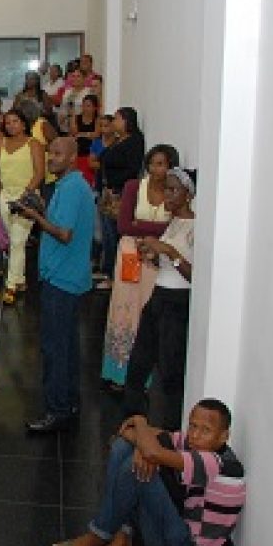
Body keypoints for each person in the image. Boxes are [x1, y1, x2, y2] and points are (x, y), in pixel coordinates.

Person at [53, 400, 245, 546]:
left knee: (133, 468)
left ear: (224, 436)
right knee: (123, 447)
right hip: (178, 527)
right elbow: (129, 434)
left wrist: (140, 420)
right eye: (193, 426)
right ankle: (120, 543)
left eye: (205, 430)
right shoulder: (195, 444)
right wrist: (143, 446)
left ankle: (99, 535)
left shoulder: (216, 463)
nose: (195, 435)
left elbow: (152, 450)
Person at [16, 138, 96, 433]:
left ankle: (56, 409)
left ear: (73, 157)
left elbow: (64, 234)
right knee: (68, 346)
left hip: (62, 277)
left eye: (58, 154)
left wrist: (35, 216)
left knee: (55, 348)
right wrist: (41, 208)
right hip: (65, 275)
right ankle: (69, 403)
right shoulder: (68, 185)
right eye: (50, 153)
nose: (51, 158)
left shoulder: (72, 188)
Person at [123, 168, 196, 430]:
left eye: (174, 190)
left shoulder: (196, 227)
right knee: (138, 364)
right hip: (159, 297)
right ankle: (133, 423)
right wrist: (153, 255)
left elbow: (195, 275)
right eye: (166, 189)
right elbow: (166, 263)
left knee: (170, 370)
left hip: (177, 302)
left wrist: (168, 251)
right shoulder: (173, 223)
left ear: (188, 194)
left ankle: (168, 431)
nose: (168, 194)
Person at [101, 145, 177, 387]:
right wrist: (152, 229)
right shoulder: (134, 187)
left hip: (157, 259)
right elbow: (124, 225)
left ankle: (146, 376)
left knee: (149, 311)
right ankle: (119, 371)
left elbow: (173, 227)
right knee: (124, 310)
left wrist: (140, 225)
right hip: (130, 254)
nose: (155, 169)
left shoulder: (174, 193)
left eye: (161, 164)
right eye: (152, 164)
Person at [0, 109, 45, 305]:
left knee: (18, 240)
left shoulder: (33, 144)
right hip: (5, 196)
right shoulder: (1, 143)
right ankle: (20, 280)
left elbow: (39, 173)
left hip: (26, 197)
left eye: (15, 121)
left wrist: (25, 195)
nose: (11, 125)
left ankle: (11, 285)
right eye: (8, 122)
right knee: (14, 240)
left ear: (24, 123)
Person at [97, 108, 146, 282]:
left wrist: (115, 185)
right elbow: (103, 157)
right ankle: (107, 270)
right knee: (107, 234)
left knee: (116, 234)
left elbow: (132, 169)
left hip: (120, 193)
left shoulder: (135, 141)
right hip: (109, 192)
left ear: (127, 121)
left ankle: (115, 275)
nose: (114, 122)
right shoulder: (119, 140)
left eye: (117, 119)